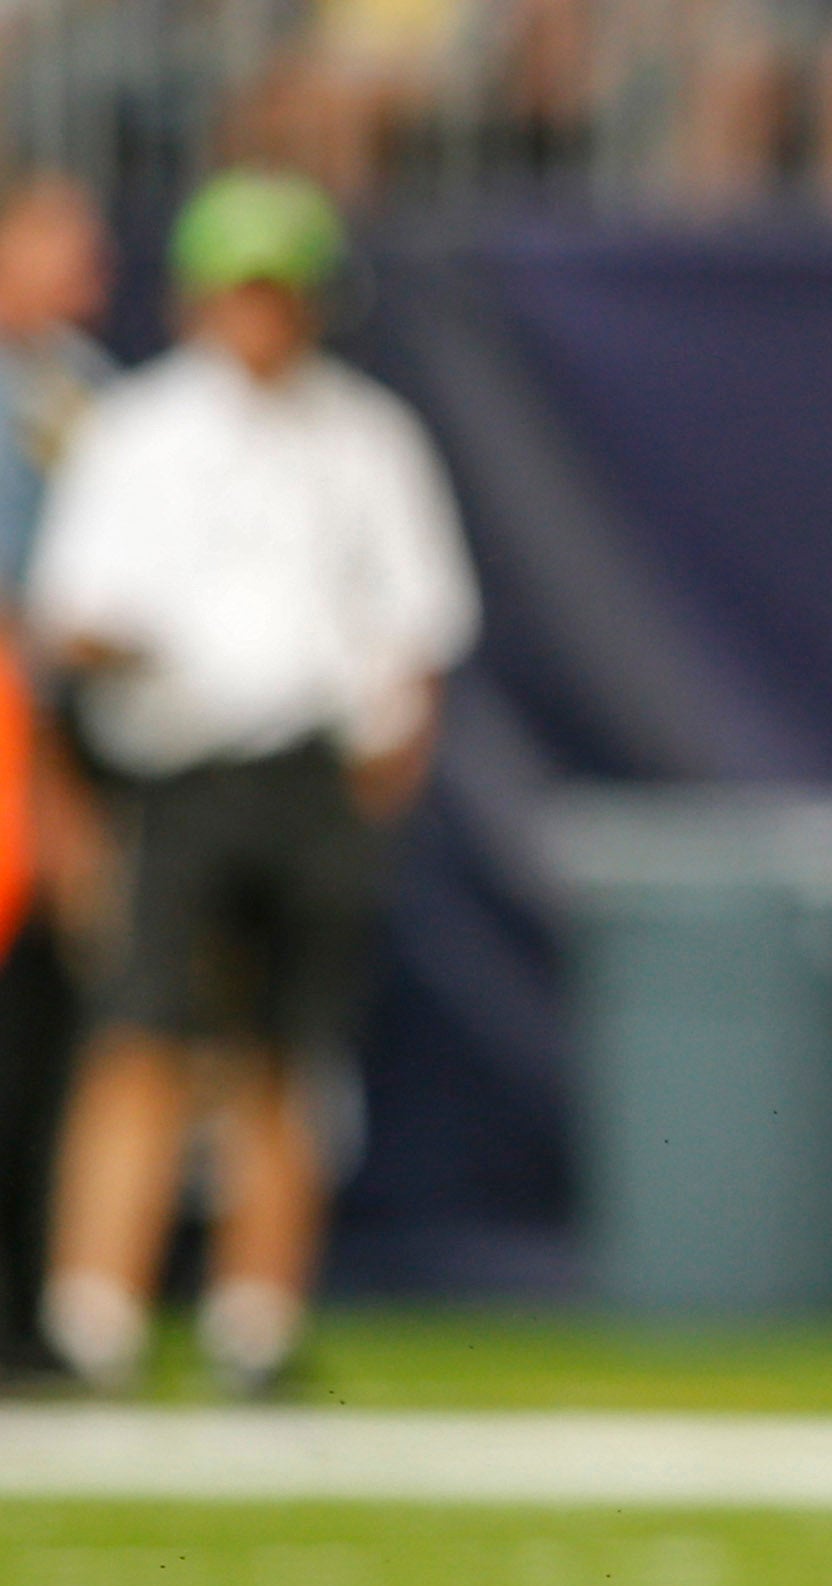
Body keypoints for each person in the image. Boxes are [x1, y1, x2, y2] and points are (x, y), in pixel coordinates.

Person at [28, 170, 479, 1398]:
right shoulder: (139, 433)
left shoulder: (368, 435)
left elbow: (420, 627)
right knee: (142, 1036)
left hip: (314, 776)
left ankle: (255, 1325)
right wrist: (129, 649)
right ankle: (94, 1320)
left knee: (293, 1048)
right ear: (198, 298)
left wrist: (384, 764)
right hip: (177, 774)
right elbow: (70, 620)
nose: (262, 316)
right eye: (241, 290)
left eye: (282, 291)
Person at [0, 173, 113, 1381]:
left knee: (45, 1037)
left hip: (62, 737)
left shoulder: (80, 387)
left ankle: (29, 1305)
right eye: (60, 237)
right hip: (15, 742)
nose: (90, 261)